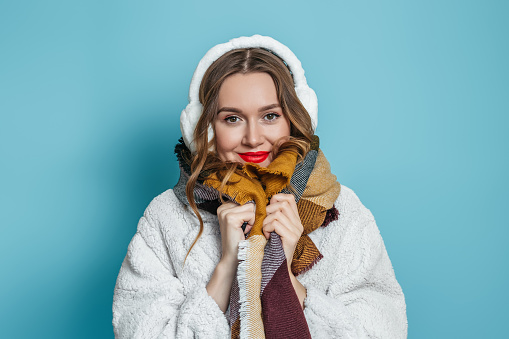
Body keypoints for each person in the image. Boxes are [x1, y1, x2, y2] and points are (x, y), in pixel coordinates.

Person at [112, 34, 408, 338]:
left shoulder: (341, 209)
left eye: (270, 116)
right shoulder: (166, 217)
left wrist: (286, 278)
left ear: (292, 119)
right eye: (232, 119)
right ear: (206, 127)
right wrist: (228, 266)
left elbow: (383, 331)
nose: (253, 138)